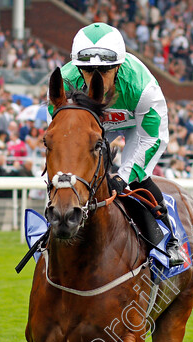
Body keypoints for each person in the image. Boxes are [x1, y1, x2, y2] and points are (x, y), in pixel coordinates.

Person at [55, 23, 184, 266]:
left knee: (136, 177)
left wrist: (123, 177)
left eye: (103, 70)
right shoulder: (64, 82)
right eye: (87, 69)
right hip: (94, 122)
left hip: (137, 124)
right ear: (77, 68)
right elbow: (64, 138)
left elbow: (151, 139)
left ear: (118, 66)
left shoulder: (143, 88)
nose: (96, 79)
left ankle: (170, 240)